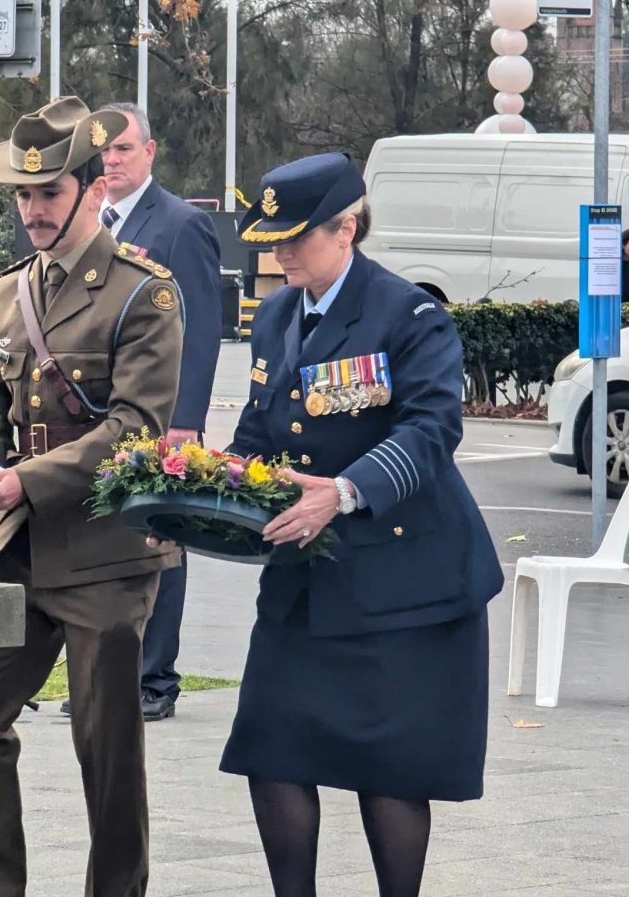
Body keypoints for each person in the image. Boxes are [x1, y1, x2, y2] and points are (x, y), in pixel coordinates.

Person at [214, 153, 504, 896]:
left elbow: (433, 431)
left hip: (404, 582)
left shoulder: (408, 314)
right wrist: (197, 493)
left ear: (347, 227)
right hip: (307, 581)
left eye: (294, 238)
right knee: (272, 751)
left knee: (390, 774)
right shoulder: (278, 313)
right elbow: (259, 429)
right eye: (270, 239)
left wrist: (342, 491)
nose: (277, 254)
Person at [0, 97, 185, 897]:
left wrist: (26, 478)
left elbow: (135, 426)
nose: (31, 212)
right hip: (18, 551)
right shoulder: (4, 293)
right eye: (22, 197)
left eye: (47, 194)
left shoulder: (142, 292)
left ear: (92, 189)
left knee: (107, 748)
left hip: (106, 553)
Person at [96, 100, 222, 722]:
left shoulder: (178, 223)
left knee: (161, 540)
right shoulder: (86, 218)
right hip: (100, 416)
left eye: (123, 148)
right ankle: (108, 677)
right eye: (103, 150)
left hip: (161, 415)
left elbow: (200, 327)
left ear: (149, 152)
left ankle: (154, 680)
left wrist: (186, 417)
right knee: (103, 541)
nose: (111, 160)